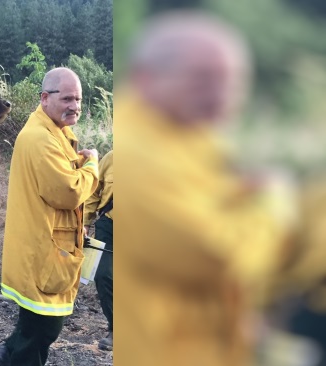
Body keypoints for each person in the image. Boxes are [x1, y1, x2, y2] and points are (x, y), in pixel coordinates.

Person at [114, 12, 297, 366]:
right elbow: (220, 257)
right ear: (145, 78)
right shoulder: (136, 153)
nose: (223, 94)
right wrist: (272, 203)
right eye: (203, 79)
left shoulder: (191, 134)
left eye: (234, 80)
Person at [0, 67, 100, 366]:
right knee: (40, 332)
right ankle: (9, 358)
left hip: (48, 251)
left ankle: (5, 358)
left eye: (78, 99)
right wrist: (92, 165)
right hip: (43, 256)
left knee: (33, 330)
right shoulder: (41, 138)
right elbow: (69, 192)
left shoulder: (54, 133)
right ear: (44, 98)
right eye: (67, 98)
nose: (75, 106)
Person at [83, 149, 113, 350]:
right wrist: (85, 221)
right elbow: (94, 191)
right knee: (103, 275)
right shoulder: (111, 158)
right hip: (109, 225)